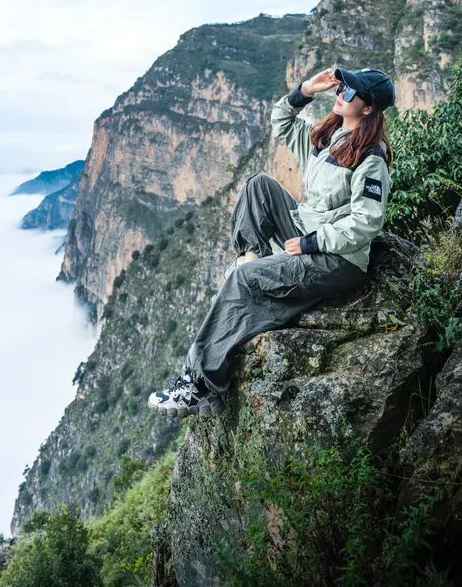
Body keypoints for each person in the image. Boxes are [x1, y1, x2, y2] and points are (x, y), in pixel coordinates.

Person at [148, 65, 395, 419]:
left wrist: (312, 243)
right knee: (259, 185)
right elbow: (282, 121)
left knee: (241, 281)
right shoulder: (328, 138)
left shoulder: (371, 158)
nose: (341, 94)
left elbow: (367, 222)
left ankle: (197, 384)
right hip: (306, 229)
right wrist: (306, 90)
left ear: (368, 107)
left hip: (337, 259)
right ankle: (252, 259)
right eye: (342, 88)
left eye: (350, 92)